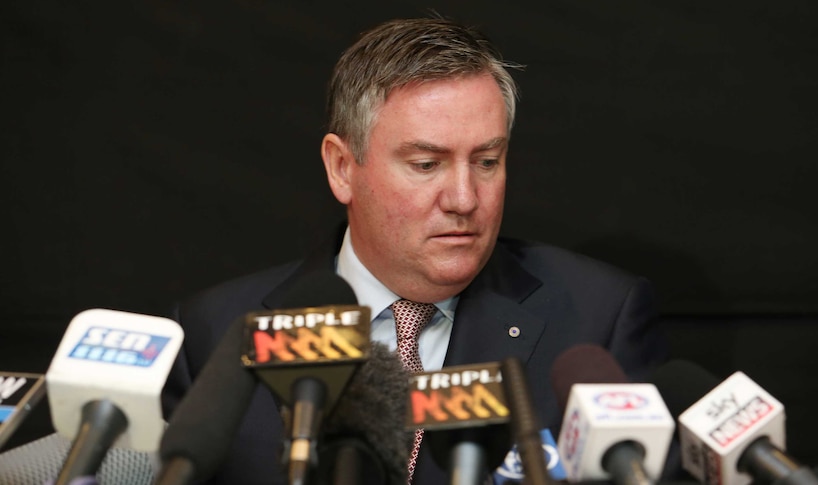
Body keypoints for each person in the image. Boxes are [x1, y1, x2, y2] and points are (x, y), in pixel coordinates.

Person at [162, 17, 667, 484]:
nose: (465, 199)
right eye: (427, 164)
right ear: (342, 167)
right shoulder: (215, 332)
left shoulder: (598, 319)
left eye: (487, 161)